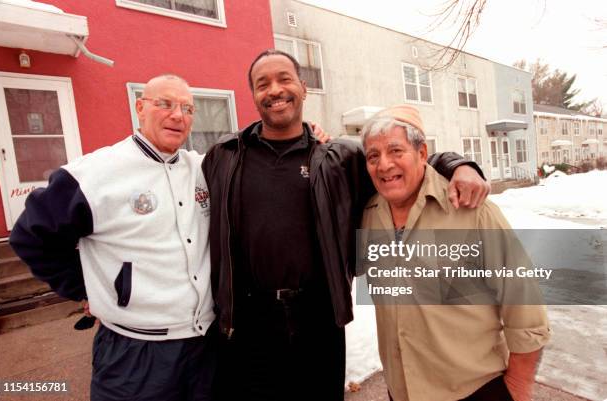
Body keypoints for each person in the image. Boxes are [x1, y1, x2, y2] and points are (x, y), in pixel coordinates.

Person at [201, 49, 490, 401]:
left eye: (284, 79)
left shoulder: (338, 158)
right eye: (263, 84)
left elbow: (405, 166)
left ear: (303, 88)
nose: (275, 90)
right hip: (248, 320)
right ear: (253, 95)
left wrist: (459, 165)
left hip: (318, 318)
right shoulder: (224, 156)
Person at [10, 74, 216, 401]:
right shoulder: (96, 173)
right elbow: (30, 236)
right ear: (140, 108)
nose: (178, 115)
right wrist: (84, 288)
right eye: (164, 103)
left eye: (187, 108)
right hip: (134, 356)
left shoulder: (203, 169)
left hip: (204, 348)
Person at [359, 105, 551, 401]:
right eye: (373, 156)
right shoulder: (368, 216)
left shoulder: (470, 209)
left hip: (475, 390)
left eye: (396, 151)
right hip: (402, 391)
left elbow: (524, 303)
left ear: (422, 154)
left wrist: (519, 386)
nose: (384, 165)